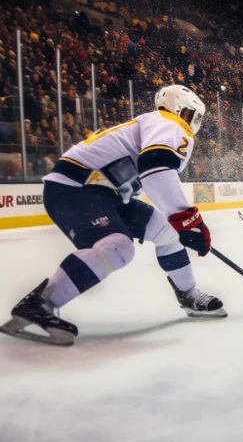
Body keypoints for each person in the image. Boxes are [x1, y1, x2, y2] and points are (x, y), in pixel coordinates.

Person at [1, 85, 225, 346]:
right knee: (117, 247)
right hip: (77, 187)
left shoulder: (155, 123)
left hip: (104, 193)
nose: (192, 123)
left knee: (169, 234)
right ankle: (40, 303)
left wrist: (181, 224)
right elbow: (156, 169)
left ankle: (188, 294)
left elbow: (148, 174)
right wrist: (185, 219)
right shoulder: (171, 122)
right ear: (178, 109)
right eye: (190, 114)